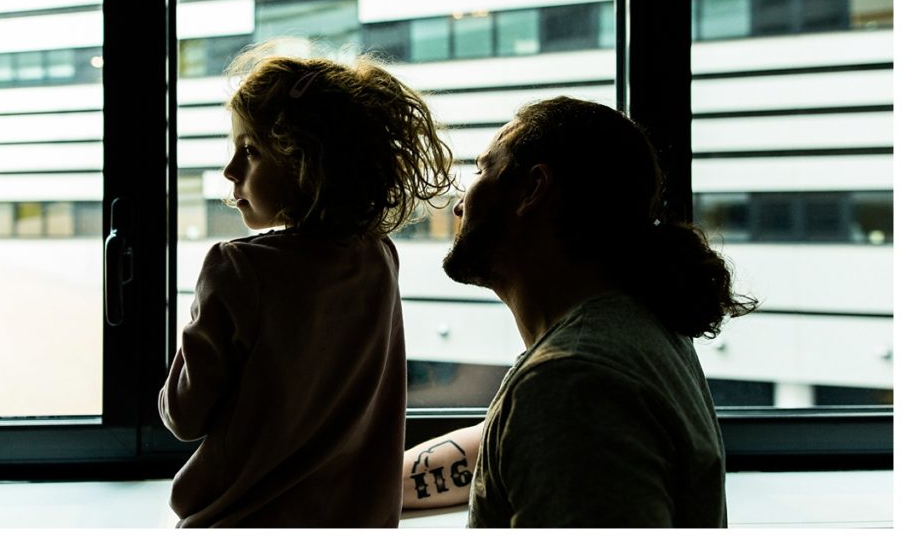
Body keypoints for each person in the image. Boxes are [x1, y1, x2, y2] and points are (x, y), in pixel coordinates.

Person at [402, 96, 756, 527]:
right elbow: (519, 444)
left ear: (532, 189)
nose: (460, 202)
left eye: (483, 170)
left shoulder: (572, 379)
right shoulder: (628, 331)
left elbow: (565, 420)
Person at [159, 44, 455, 527]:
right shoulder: (380, 257)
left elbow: (183, 415)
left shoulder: (237, 268)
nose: (231, 170)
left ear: (308, 162)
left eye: (250, 150)